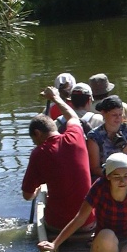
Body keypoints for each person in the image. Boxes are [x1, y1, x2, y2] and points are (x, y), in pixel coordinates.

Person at [22, 86, 94, 232]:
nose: (35, 143)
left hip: (57, 226)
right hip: (88, 223)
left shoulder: (38, 153)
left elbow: (27, 195)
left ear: (37, 133)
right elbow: (73, 117)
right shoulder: (75, 136)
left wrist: (37, 191)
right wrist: (55, 98)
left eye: (34, 139)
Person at [87, 95, 127, 178]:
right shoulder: (94, 136)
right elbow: (95, 168)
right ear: (103, 114)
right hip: (105, 178)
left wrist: (124, 146)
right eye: (114, 115)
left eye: (120, 114)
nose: (118, 118)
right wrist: (113, 176)